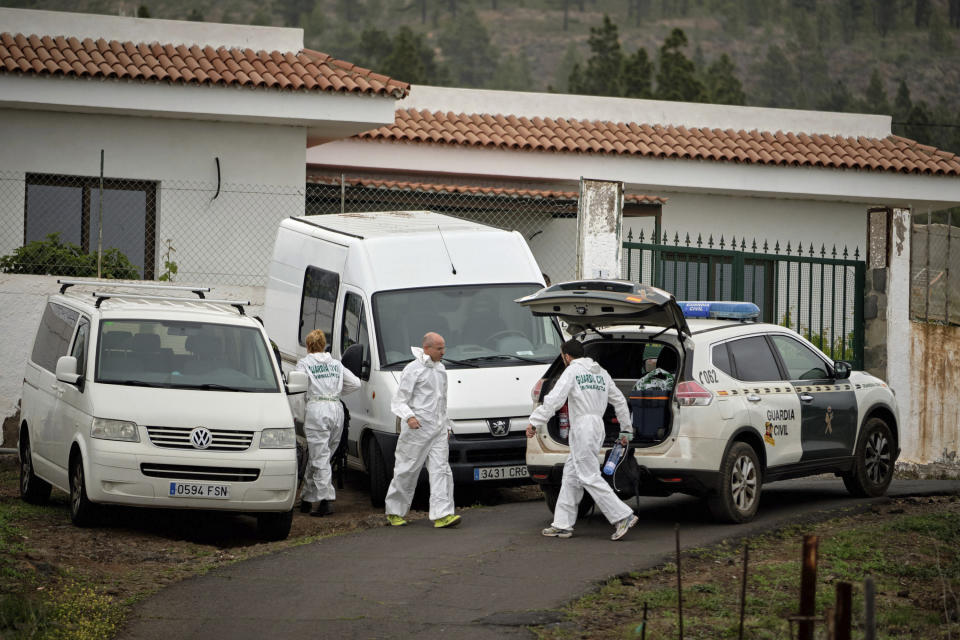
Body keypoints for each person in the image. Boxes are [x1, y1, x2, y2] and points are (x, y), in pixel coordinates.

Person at [526, 339, 639, 541]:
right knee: (571, 476)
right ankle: (562, 524)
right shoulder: (601, 373)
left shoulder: (572, 371)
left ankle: (623, 516)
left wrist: (535, 421)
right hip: (597, 426)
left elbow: (554, 399)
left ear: (566, 356)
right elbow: (620, 400)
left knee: (588, 476)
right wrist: (626, 430)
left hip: (583, 427)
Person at [384, 332, 461, 529]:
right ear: (427, 348)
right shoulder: (413, 369)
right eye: (439, 348)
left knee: (441, 469)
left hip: (438, 429)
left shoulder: (440, 369)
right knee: (407, 469)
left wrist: (447, 424)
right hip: (417, 430)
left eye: (443, 347)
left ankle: (442, 514)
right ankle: (395, 511)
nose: (443, 352)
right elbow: (399, 399)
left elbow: (441, 401)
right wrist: (409, 417)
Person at [296, 329, 361, 517]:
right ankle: (307, 498)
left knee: (319, 457)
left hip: (317, 410)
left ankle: (325, 499)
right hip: (336, 409)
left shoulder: (305, 363)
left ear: (308, 346)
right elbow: (356, 383)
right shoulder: (336, 364)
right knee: (322, 456)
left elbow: (298, 388)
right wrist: (337, 392)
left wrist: (296, 412)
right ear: (324, 345)